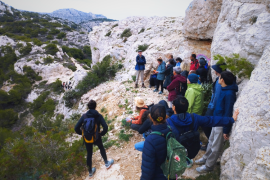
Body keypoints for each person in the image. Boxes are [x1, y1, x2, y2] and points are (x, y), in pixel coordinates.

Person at [166, 96, 239, 166]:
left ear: (174, 107)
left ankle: (181, 162)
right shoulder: (194, 117)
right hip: (192, 147)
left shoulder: (168, 122)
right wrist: (231, 119)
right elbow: (211, 120)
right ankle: (188, 160)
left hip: (178, 149)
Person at [196, 71, 238, 173]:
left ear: (222, 80)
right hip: (216, 119)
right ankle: (206, 157)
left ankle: (209, 166)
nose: (218, 78)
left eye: (219, 77)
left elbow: (228, 112)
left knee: (215, 147)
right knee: (210, 140)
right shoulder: (224, 89)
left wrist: (226, 130)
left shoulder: (229, 93)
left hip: (221, 123)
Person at [74, 100, 114, 178]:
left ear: (88, 107)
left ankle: (90, 172)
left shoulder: (84, 116)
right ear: (95, 106)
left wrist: (83, 134)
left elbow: (76, 128)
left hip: (87, 138)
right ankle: (106, 163)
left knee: (89, 153)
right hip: (96, 137)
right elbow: (105, 127)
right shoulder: (98, 116)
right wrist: (101, 134)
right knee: (101, 147)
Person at [140, 104, 170, 180]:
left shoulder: (150, 140)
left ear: (150, 118)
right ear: (165, 116)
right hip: (171, 172)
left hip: (159, 176)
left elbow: (147, 170)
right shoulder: (173, 131)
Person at [201, 64, 225, 151]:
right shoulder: (219, 79)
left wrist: (212, 107)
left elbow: (217, 96)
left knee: (205, 124)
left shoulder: (220, 81)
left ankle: (210, 144)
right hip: (212, 106)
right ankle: (209, 143)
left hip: (213, 108)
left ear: (217, 71)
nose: (214, 71)